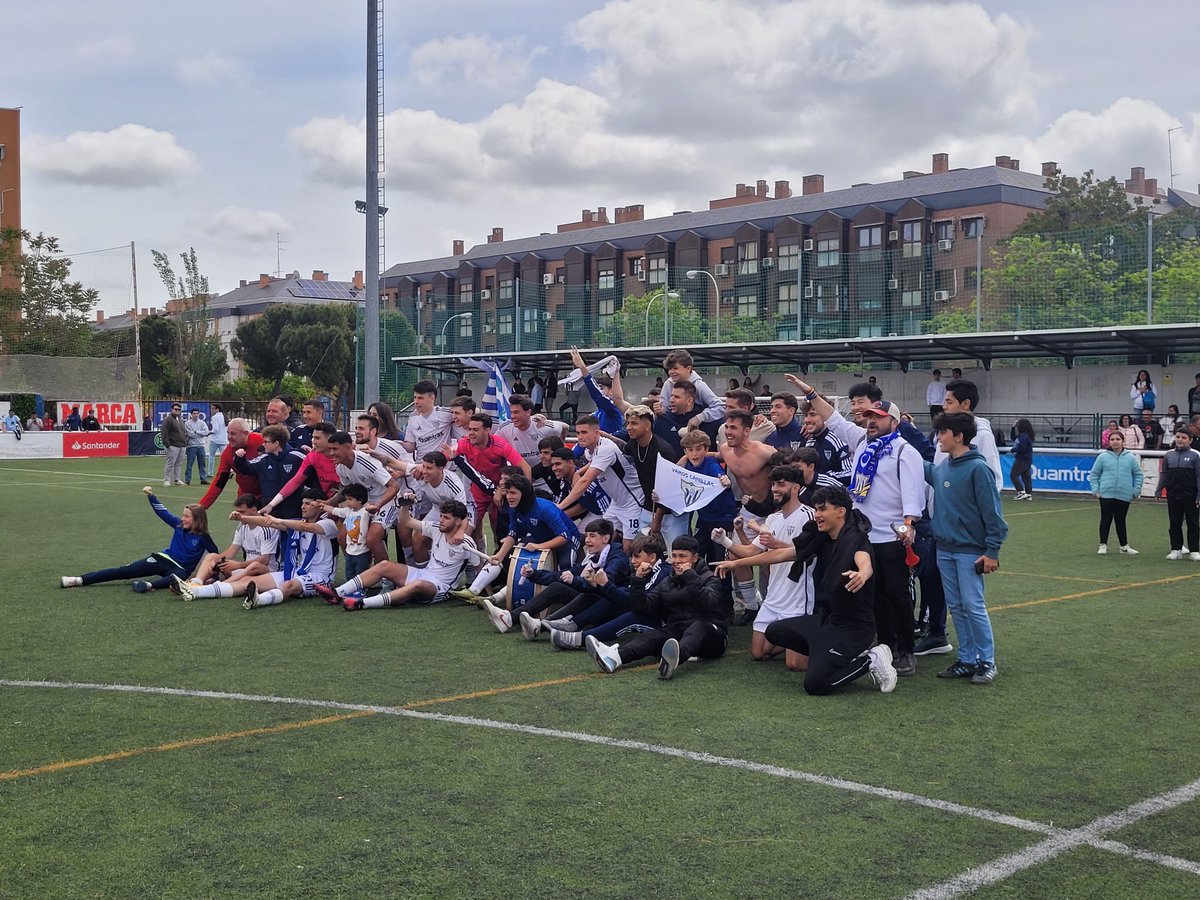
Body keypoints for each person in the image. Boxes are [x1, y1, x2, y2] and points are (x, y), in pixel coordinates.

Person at [785, 374, 925, 677]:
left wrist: (909, 523)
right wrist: (809, 393)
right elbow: (833, 418)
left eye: (879, 417)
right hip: (861, 533)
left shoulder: (904, 451)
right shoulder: (863, 442)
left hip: (890, 535)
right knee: (870, 594)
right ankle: (884, 645)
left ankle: (906, 650)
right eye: (870, 416)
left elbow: (913, 490)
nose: (871, 421)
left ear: (894, 422)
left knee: (897, 594)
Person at [715, 486, 897, 695]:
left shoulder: (856, 539)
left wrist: (862, 574)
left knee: (815, 685)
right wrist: (737, 564)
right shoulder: (821, 538)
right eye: (816, 509)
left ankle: (871, 660)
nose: (817, 515)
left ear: (841, 512)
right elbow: (781, 555)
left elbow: (864, 561)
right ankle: (830, 653)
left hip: (855, 628)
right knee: (774, 631)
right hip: (827, 621)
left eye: (822, 509)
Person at [926, 412, 1009, 684]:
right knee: (957, 606)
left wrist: (992, 551)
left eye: (943, 433)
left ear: (959, 436)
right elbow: (923, 469)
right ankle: (967, 659)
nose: (938, 438)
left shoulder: (978, 469)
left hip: (970, 550)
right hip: (944, 548)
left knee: (973, 605)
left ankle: (987, 661)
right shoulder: (943, 468)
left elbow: (993, 515)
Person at [586, 535, 728, 680]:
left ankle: (675, 659)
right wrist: (638, 580)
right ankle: (614, 658)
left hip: (712, 637)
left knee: (699, 626)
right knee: (653, 636)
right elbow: (643, 608)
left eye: (682, 556)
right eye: (674, 556)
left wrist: (689, 576)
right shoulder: (667, 582)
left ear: (695, 558)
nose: (677, 561)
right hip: (677, 633)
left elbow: (710, 604)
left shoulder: (709, 578)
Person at [714, 466, 816, 665]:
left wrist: (738, 561)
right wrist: (724, 541)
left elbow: (800, 554)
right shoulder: (772, 518)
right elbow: (753, 551)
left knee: (795, 665)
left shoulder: (809, 516)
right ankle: (793, 643)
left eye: (781, 484)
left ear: (796, 488)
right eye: (773, 484)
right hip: (774, 595)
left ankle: (815, 641)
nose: (775, 489)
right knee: (758, 653)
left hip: (797, 597)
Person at [174, 487, 338, 608]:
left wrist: (280, 521)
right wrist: (244, 518)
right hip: (295, 571)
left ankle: (260, 600)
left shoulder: (327, 524)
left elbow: (304, 528)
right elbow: (268, 522)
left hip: (320, 577)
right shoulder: (296, 524)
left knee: (288, 586)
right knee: (247, 581)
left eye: (308, 504)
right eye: (303, 503)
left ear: (319, 506)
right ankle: (195, 592)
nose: (303, 507)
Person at [465, 474, 582, 626]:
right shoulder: (515, 508)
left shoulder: (544, 508)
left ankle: (571, 608)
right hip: (540, 538)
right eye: (507, 492)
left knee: (566, 567)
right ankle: (504, 596)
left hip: (567, 541)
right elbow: (512, 534)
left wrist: (539, 546)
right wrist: (500, 555)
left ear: (524, 493)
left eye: (513, 493)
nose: (509, 497)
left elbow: (564, 536)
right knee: (519, 562)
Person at [318, 498, 474, 610]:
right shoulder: (435, 527)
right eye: (441, 516)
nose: (441, 520)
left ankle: (362, 604)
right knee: (384, 565)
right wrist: (404, 506)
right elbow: (407, 522)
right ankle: (337, 594)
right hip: (423, 573)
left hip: (440, 587)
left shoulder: (466, 543)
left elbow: (476, 566)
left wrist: (474, 590)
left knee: (417, 585)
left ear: (458, 522)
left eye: (446, 518)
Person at [60, 487, 218, 592]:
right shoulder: (177, 525)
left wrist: (213, 575)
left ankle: (148, 585)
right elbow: (163, 513)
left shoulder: (203, 537)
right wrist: (152, 497)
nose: (182, 518)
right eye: (183, 515)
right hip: (163, 559)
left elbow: (215, 555)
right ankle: (79, 580)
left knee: (179, 578)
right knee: (125, 571)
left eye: (186, 516)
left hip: (180, 568)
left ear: (197, 519)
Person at [516, 519, 630, 640]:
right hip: (597, 600)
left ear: (605, 539)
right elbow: (564, 574)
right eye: (586, 536)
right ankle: (511, 618)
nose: (587, 540)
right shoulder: (592, 557)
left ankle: (542, 625)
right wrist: (534, 574)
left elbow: (606, 582)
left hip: (611, 607)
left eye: (592, 536)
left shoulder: (617, 556)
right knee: (559, 586)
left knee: (588, 593)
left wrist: (575, 580)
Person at [441, 413, 530, 548]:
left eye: (475, 430)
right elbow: (443, 458)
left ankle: (498, 556)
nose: (471, 433)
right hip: (478, 491)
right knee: (470, 529)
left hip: (499, 489)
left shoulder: (500, 445)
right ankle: (476, 563)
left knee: (497, 528)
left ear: (488, 430)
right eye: (470, 429)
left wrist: (527, 494)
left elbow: (525, 467)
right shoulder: (464, 443)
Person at [560, 415, 645, 550]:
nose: (580, 436)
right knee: (602, 540)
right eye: (577, 433)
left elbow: (586, 481)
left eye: (584, 432)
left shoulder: (606, 449)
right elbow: (594, 460)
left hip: (632, 501)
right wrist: (578, 472)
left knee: (628, 547)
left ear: (597, 433)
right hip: (616, 503)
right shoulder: (589, 450)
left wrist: (560, 507)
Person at [325, 430, 402, 563]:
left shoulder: (366, 462)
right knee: (342, 538)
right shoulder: (340, 467)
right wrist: (327, 503)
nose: (331, 453)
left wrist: (378, 505)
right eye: (329, 449)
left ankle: (387, 579)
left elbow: (394, 486)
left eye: (335, 449)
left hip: (387, 501)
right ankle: (360, 572)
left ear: (348, 446)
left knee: (372, 539)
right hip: (365, 504)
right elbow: (347, 491)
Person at [188, 493, 280, 587]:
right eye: (237, 511)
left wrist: (238, 565)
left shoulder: (267, 529)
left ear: (254, 510)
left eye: (242, 512)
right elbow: (232, 551)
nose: (238, 515)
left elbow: (265, 560)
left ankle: (217, 587)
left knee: (255, 566)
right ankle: (196, 583)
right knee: (211, 556)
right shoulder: (241, 526)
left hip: (266, 571)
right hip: (245, 570)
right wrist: (218, 560)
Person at [232, 424, 312, 520]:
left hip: (293, 510)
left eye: (266, 442)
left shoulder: (296, 457)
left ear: (276, 443)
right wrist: (239, 458)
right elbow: (247, 468)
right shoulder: (264, 459)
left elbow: (312, 468)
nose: (263, 444)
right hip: (271, 510)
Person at [1088, 430, 1143, 555]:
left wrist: (1135, 491)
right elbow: (1094, 474)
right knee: (1105, 519)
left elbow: (1138, 475)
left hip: (1124, 495)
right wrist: (1096, 490)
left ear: (1123, 441)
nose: (1115, 442)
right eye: (1112, 439)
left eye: (1118, 439)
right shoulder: (1103, 457)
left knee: (1121, 520)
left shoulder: (1130, 457)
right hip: (1106, 494)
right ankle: (1103, 545)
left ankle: (1124, 546)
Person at [199, 419, 265, 509]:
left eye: (233, 433)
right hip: (246, 498)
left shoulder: (262, 441)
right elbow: (219, 482)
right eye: (228, 433)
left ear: (246, 433)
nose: (229, 437)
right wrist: (201, 506)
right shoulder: (227, 453)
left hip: (267, 495)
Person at [1160, 428, 1200, 561]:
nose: (1180, 440)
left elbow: (1199, 476)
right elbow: (1164, 473)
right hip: (1173, 494)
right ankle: (1176, 549)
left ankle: (1194, 549)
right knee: (1174, 523)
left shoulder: (1196, 455)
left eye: (1183, 437)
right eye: (1178, 437)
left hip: (1191, 495)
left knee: (1192, 522)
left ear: (1190, 440)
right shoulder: (1169, 455)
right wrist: (1159, 489)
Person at [320, 483, 374, 580]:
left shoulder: (365, 511)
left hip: (362, 551)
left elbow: (373, 510)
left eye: (350, 499)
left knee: (361, 573)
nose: (347, 502)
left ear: (360, 500)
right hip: (350, 550)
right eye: (346, 499)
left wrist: (372, 508)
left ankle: (361, 591)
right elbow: (334, 510)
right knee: (349, 572)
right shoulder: (348, 511)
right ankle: (350, 589)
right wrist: (322, 506)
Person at [798, 397, 853, 485]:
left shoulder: (838, 439)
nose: (807, 420)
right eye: (806, 415)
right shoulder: (808, 440)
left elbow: (850, 473)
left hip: (834, 496)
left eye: (813, 415)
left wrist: (818, 478)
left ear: (826, 416)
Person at [405, 380, 458, 458]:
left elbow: (466, 412)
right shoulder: (413, 417)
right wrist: (399, 444)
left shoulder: (445, 413)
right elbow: (411, 447)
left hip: (442, 467)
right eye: (415, 397)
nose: (416, 401)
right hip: (421, 466)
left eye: (420, 398)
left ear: (432, 398)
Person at [160, 403, 188, 487]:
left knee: (179, 463)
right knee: (170, 463)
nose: (177, 411)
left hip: (182, 445)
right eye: (175, 409)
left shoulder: (180, 419)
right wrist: (167, 444)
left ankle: (177, 479)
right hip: (173, 445)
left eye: (179, 410)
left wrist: (185, 442)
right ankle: (167, 480)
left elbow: (183, 431)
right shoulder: (168, 419)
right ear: (172, 409)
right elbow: (164, 432)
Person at [183, 408, 210, 485]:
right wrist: (199, 434)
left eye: (197, 413)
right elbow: (190, 434)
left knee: (202, 464)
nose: (195, 415)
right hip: (191, 446)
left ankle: (203, 479)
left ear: (199, 414)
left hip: (201, 446)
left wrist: (196, 432)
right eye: (194, 413)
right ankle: (187, 479)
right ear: (191, 414)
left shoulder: (202, 423)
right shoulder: (187, 423)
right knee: (189, 464)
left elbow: (206, 432)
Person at [1010, 418, 1035, 500]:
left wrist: (1014, 449)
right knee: (1026, 477)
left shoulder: (1023, 436)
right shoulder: (1023, 436)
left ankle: (1021, 491)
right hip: (1026, 459)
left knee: (1013, 475)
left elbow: (1022, 448)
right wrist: (1013, 428)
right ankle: (1028, 493)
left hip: (1022, 459)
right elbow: (1013, 437)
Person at [208, 403, 228, 473]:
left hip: (215, 440)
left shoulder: (214, 417)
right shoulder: (224, 416)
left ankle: (210, 472)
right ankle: (227, 470)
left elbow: (215, 429)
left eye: (213, 408)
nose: (211, 410)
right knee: (224, 457)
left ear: (217, 409)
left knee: (211, 456)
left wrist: (209, 432)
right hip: (223, 440)